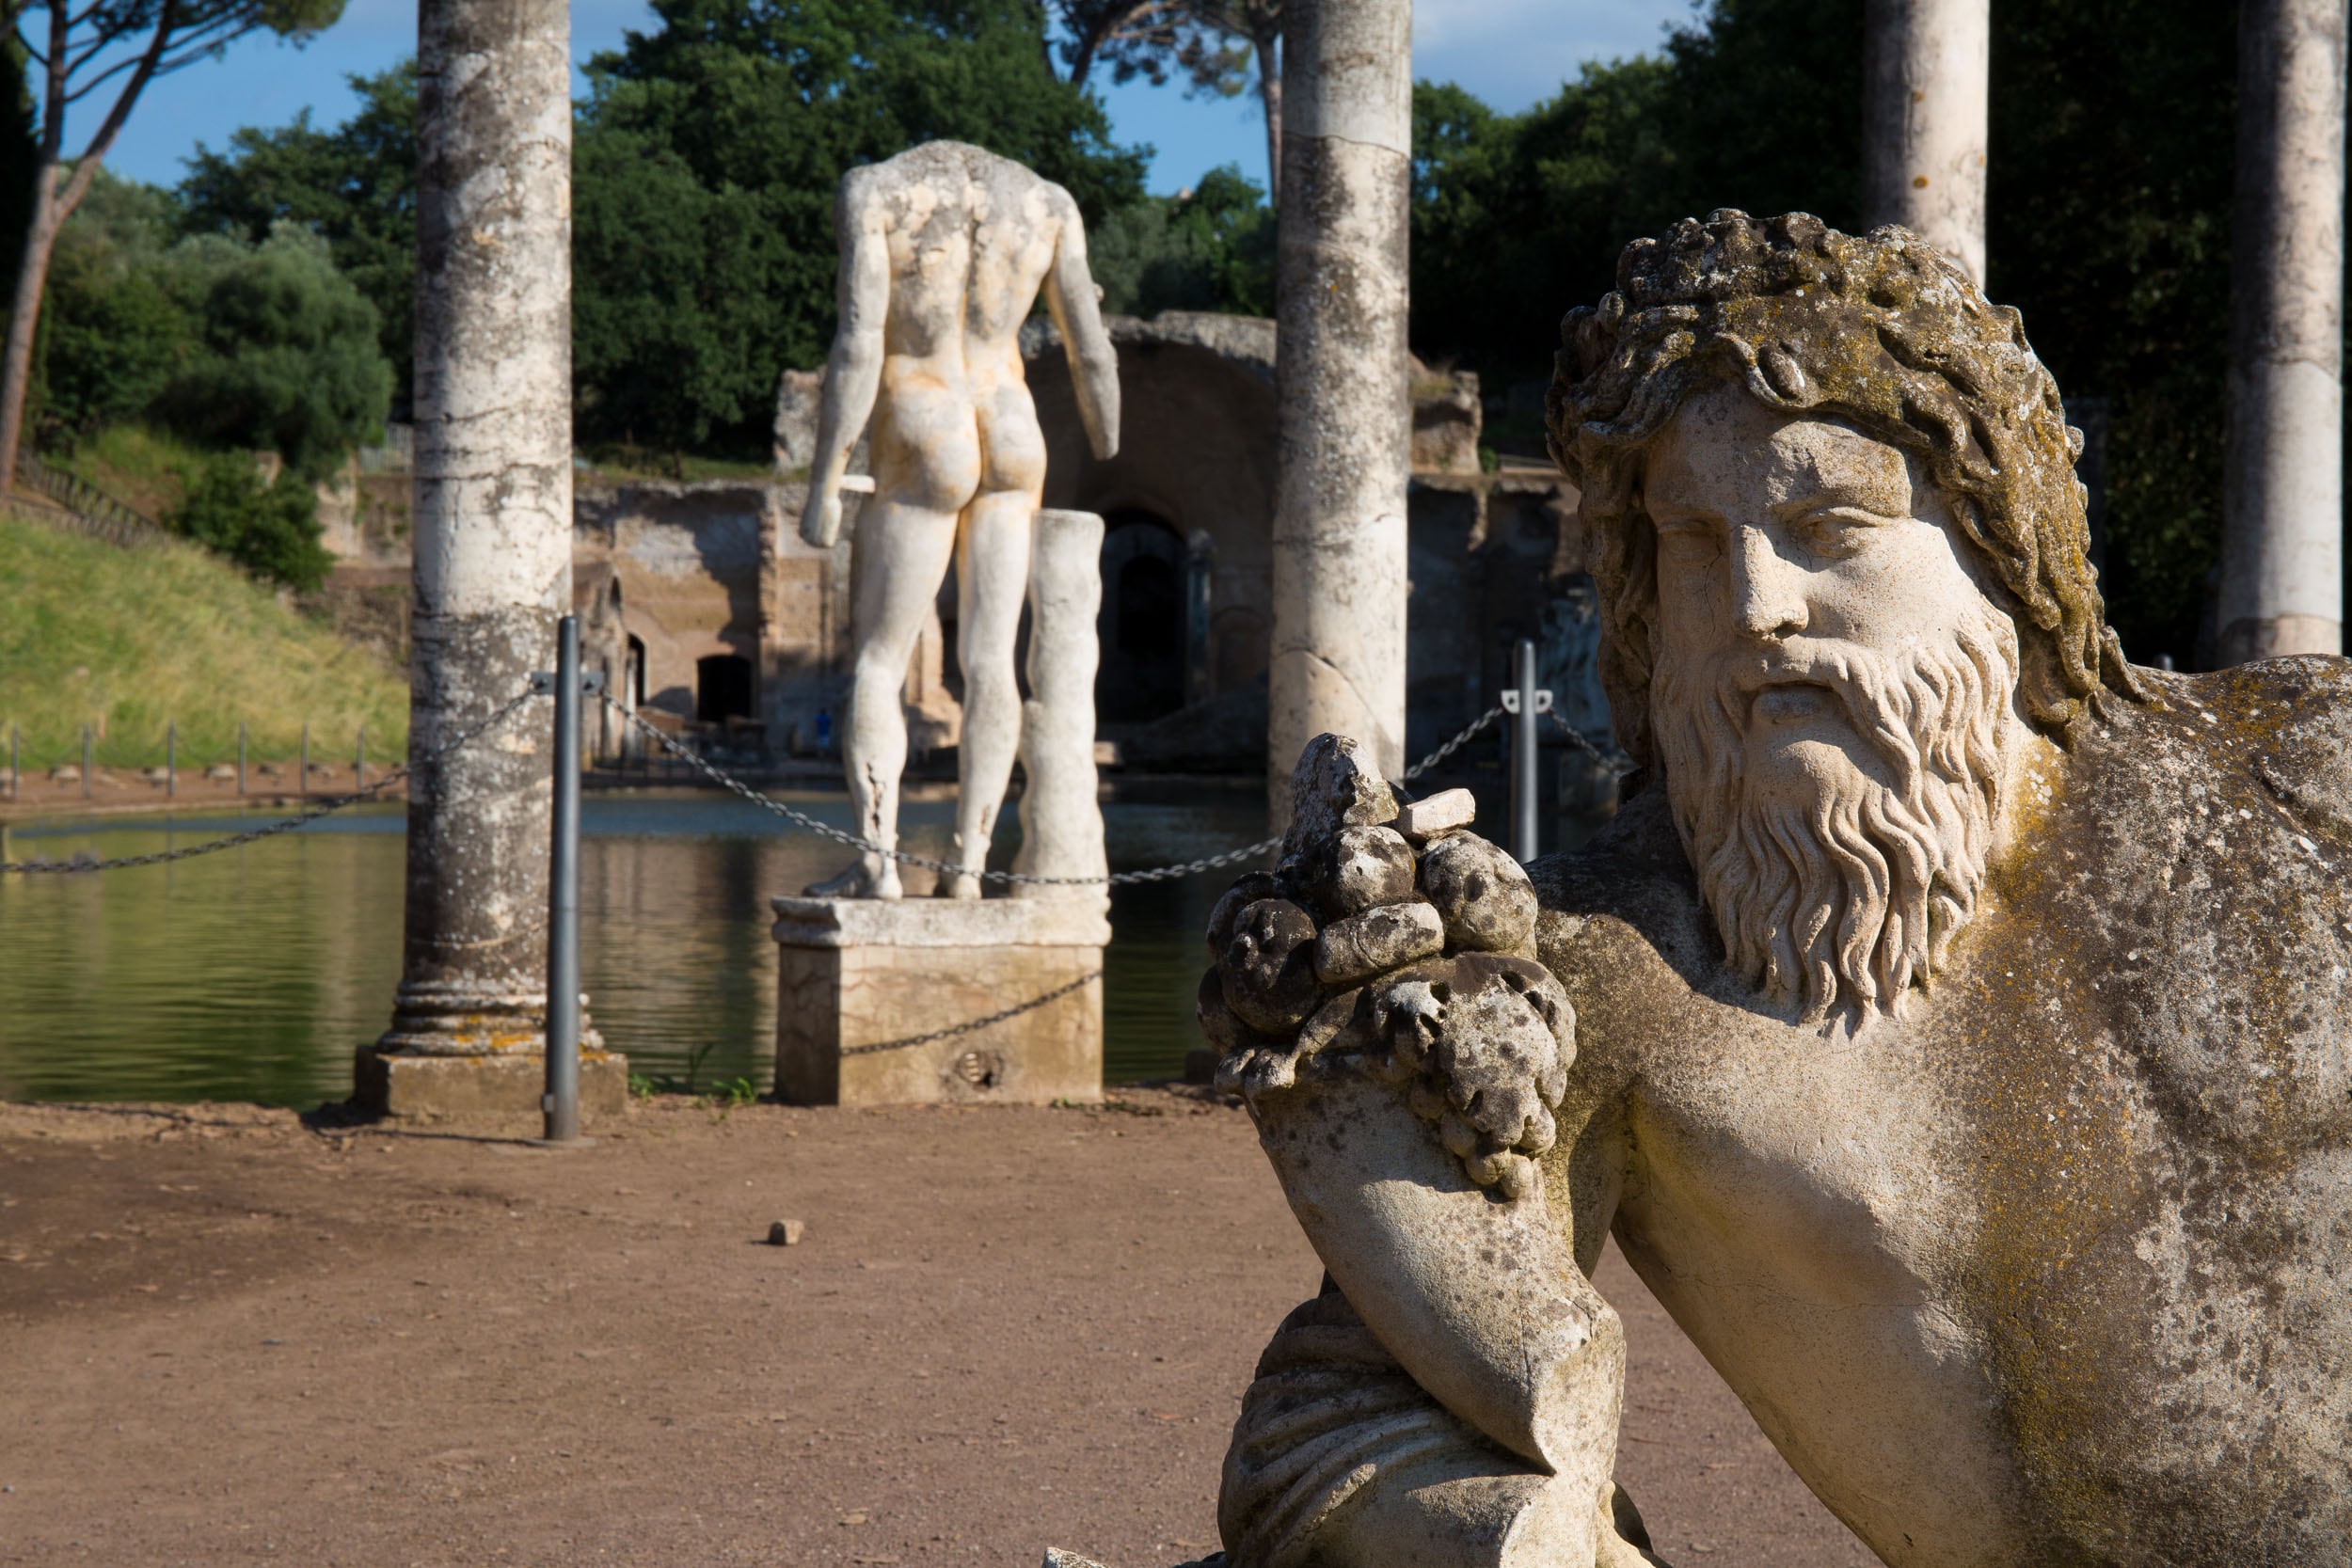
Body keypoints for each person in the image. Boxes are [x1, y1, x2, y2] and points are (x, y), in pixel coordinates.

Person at [1207, 212, 2352, 1568]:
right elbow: (1322, 1434)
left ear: (2002, 541)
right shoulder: (1594, 973)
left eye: (1829, 522)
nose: (1755, 606)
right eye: (1697, 540)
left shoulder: (2306, 769)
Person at [801, 141, 1120, 898]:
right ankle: (970, 871)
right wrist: (1107, 433)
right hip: (1010, 421)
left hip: (923, 414)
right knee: (991, 663)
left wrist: (823, 480)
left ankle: (878, 867)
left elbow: (856, 345)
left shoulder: (877, 188)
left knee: (881, 658)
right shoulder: (1046, 201)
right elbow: (1092, 350)